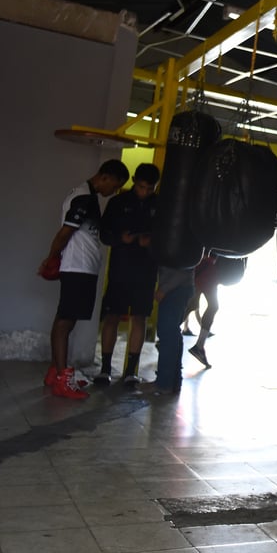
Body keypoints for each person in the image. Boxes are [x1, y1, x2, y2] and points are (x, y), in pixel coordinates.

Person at [38, 158, 129, 399]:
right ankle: (61, 379)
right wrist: (51, 259)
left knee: (64, 320)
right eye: (116, 186)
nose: (114, 192)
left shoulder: (88, 196)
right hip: (77, 268)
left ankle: (54, 371)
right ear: (105, 177)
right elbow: (64, 233)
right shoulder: (84, 198)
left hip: (83, 269)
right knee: (65, 324)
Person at [95, 163, 160, 386]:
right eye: (141, 187)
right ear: (134, 181)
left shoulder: (161, 206)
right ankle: (105, 369)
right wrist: (120, 239)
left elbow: (167, 239)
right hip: (120, 269)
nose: (145, 192)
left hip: (146, 271)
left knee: (139, 317)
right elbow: (104, 234)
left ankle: (131, 371)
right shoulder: (118, 203)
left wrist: (151, 242)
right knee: (112, 316)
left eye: (149, 189)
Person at [152, 265, 194, 394]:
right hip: (178, 287)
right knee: (172, 333)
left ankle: (164, 384)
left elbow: (184, 268)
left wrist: (164, 289)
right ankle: (173, 382)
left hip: (175, 287)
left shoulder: (184, 245)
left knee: (168, 333)